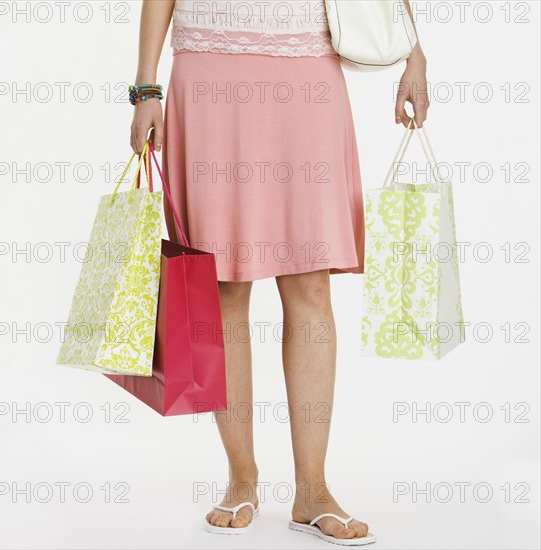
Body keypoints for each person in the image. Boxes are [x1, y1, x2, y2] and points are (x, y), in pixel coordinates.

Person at [130, 0, 429, 544]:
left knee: (311, 282)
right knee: (220, 283)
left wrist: (415, 54)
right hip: (207, 65)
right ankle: (241, 479)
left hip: (306, 66)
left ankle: (312, 490)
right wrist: (146, 87)